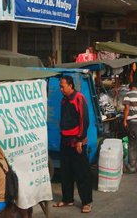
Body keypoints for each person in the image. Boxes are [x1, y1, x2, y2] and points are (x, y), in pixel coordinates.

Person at [53, 75, 92, 214]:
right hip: (65, 141)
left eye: (63, 86)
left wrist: (80, 140)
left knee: (81, 173)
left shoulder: (79, 98)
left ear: (70, 85)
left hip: (77, 142)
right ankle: (67, 199)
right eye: (60, 86)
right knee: (66, 171)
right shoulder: (64, 100)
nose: (61, 89)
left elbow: (84, 120)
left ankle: (86, 202)